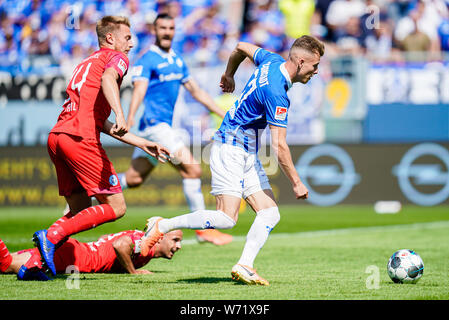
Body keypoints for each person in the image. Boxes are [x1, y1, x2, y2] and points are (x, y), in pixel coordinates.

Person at [140, 35, 324, 286]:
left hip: (245, 151)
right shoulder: (277, 93)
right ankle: (163, 225)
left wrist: (229, 75)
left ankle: (244, 265)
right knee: (226, 218)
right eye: (314, 66)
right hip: (231, 148)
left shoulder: (270, 60)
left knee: (269, 213)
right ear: (301, 61)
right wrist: (296, 182)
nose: (316, 71)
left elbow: (240, 47)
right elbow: (279, 145)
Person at [32, 16, 170, 277]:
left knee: (79, 210)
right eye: (127, 38)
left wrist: (141, 142)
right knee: (117, 207)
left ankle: (35, 262)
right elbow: (109, 80)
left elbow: (98, 120)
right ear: (111, 38)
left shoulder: (86, 63)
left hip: (57, 137)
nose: (131, 43)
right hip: (80, 139)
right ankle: (51, 236)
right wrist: (120, 112)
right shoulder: (115, 58)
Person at [118, 13, 232, 246]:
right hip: (154, 125)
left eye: (171, 27)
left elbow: (197, 92)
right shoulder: (148, 59)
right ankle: (204, 230)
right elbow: (139, 90)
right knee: (192, 170)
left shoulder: (177, 61)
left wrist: (224, 114)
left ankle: (91, 192)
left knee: (134, 179)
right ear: (155, 30)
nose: (167, 32)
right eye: (162, 28)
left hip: (155, 128)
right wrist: (128, 118)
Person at [0, 230, 183, 280]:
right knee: (6, 265)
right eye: (175, 239)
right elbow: (119, 245)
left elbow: (105, 238)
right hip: (76, 259)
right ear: (160, 237)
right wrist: (133, 272)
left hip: (77, 252)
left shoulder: (143, 242)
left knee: (4, 263)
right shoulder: (146, 245)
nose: (179, 245)